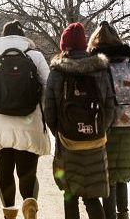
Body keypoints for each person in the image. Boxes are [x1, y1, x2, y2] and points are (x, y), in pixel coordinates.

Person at [0, 20, 51, 219]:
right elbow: (48, 87)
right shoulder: (35, 55)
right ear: (22, 35)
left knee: (5, 173)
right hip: (30, 121)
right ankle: (30, 205)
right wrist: (41, 112)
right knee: (28, 173)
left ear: (3, 35)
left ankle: (9, 214)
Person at [44, 23, 115, 219]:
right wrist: (100, 130)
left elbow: (49, 109)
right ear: (84, 45)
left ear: (64, 46)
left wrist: (60, 132)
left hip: (68, 142)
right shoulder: (101, 69)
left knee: (70, 194)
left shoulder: (57, 72)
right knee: (92, 196)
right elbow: (110, 106)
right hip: (95, 140)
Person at [88, 21, 130, 219]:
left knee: (107, 174)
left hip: (106, 123)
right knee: (123, 174)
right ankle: (123, 214)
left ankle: (109, 215)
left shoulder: (95, 61)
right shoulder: (129, 61)